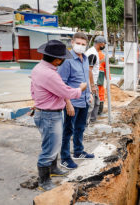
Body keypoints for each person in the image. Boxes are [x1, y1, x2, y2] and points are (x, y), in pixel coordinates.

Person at [31, 40, 87, 191]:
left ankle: (53, 169)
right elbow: (67, 92)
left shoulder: (38, 68)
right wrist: (80, 89)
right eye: (62, 58)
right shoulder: (49, 74)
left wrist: (38, 101)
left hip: (46, 113)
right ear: (57, 60)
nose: (63, 60)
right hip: (49, 115)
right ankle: (44, 181)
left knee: (53, 144)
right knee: (49, 149)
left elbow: (34, 90)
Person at [58, 32, 95, 170]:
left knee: (80, 127)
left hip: (84, 100)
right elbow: (62, 84)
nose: (80, 46)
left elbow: (85, 79)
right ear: (72, 43)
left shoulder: (85, 59)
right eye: (78, 43)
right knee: (68, 130)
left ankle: (78, 151)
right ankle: (65, 158)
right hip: (72, 103)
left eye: (83, 44)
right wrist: (68, 103)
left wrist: (90, 93)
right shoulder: (66, 61)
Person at [86, 36, 106, 123]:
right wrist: (92, 85)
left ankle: (93, 120)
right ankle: (85, 123)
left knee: (97, 102)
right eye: (104, 44)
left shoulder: (94, 52)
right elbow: (89, 70)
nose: (104, 45)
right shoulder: (93, 53)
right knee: (91, 104)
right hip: (91, 83)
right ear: (100, 44)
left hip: (93, 82)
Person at [97, 50, 111, 115]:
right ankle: (99, 110)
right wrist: (108, 78)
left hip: (93, 75)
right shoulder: (103, 56)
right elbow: (106, 68)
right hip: (100, 75)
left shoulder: (89, 53)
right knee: (100, 93)